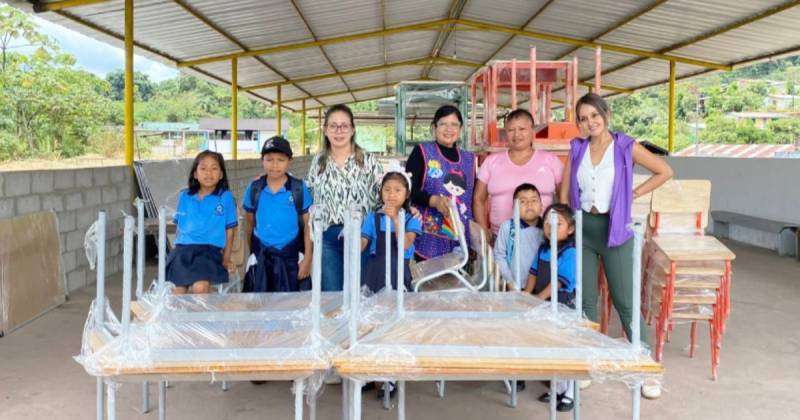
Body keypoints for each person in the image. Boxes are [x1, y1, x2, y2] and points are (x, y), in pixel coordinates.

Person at [559, 93, 672, 399]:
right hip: (583, 227)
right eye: (583, 118)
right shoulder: (577, 147)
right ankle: (588, 362)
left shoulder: (625, 146)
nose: (589, 123)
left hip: (615, 229)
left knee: (624, 300)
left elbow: (664, 171)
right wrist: (563, 218)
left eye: (594, 116)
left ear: (606, 114)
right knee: (586, 299)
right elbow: (566, 185)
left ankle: (647, 366)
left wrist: (633, 194)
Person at [305, 104, 381, 291]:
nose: (339, 131)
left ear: (352, 129)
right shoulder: (319, 162)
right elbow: (310, 194)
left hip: (361, 236)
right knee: (332, 295)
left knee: (360, 294)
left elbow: (384, 195)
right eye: (333, 126)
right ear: (325, 130)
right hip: (327, 238)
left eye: (344, 126)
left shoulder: (368, 160)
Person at [474, 109, 563, 237]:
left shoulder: (551, 160)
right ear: (506, 133)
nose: (517, 135)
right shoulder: (491, 161)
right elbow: (478, 198)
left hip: (542, 237)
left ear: (532, 131)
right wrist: (483, 232)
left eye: (522, 129)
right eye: (511, 130)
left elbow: (564, 197)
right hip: (500, 238)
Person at [524, 203, 577, 412]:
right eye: (547, 221)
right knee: (551, 347)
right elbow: (533, 273)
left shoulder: (570, 252)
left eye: (558, 223)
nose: (550, 226)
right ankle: (557, 387)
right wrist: (526, 295)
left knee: (565, 348)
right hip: (544, 305)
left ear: (570, 229)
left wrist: (538, 298)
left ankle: (570, 392)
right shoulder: (543, 248)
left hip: (562, 305)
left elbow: (559, 282)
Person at [242, 136, 313, 292]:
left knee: (292, 303)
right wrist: (253, 253)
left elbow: (308, 226)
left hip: (291, 256)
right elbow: (249, 224)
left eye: (281, 160)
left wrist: (307, 259)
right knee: (260, 302)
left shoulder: (298, 188)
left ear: (290, 161)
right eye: (269, 159)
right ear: (262, 161)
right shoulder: (254, 188)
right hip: (262, 255)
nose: (274, 165)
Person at [405, 105, 476, 260]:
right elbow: (407, 189)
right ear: (434, 127)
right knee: (429, 282)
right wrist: (434, 201)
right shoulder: (422, 152)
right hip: (428, 237)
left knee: (458, 282)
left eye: (454, 125)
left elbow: (474, 198)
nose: (449, 129)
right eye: (443, 124)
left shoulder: (470, 159)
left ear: (461, 129)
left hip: (460, 237)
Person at [166, 150, 237, 294]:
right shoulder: (185, 196)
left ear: (221, 174)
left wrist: (226, 258)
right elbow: (180, 228)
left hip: (209, 251)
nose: (208, 173)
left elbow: (230, 232)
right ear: (195, 174)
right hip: (182, 250)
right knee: (176, 291)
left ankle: (199, 317)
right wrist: (174, 253)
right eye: (203, 168)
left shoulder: (226, 197)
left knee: (200, 288)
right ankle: (182, 317)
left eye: (214, 168)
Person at [361, 167, 422, 294]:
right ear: (381, 192)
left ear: (407, 194)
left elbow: (405, 244)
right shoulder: (372, 218)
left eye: (398, 190)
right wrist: (351, 235)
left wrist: (395, 218)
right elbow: (361, 245)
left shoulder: (412, 220)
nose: (391, 195)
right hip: (375, 275)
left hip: (399, 275)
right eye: (387, 190)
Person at [493, 183, 544, 291]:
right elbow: (499, 255)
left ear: (541, 206)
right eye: (522, 201)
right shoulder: (508, 227)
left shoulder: (548, 228)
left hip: (542, 287)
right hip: (516, 285)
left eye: (534, 200)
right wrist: (509, 280)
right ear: (513, 208)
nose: (529, 204)